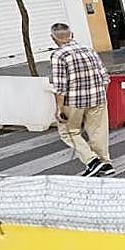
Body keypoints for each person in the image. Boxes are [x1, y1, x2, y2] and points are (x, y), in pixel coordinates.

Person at [49, 23, 114, 177]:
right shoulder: (89, 50)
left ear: (53, 38)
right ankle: (105, 163)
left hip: (74, 101)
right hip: (98, 97)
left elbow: (60, 86)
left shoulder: (59, 55)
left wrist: (59, 109)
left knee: (68, 132)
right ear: (72, 35)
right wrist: (101, 96)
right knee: (98, 131)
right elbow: (105, 77)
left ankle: (92, 162)